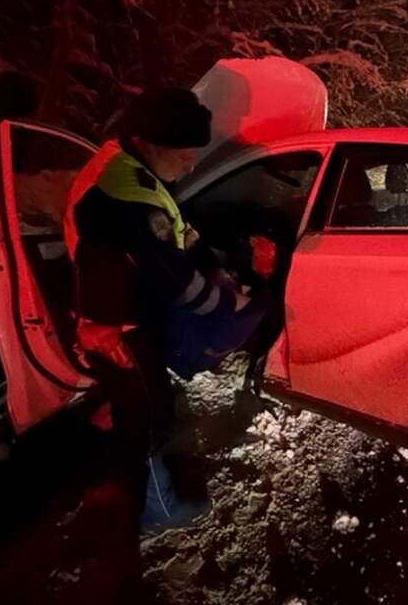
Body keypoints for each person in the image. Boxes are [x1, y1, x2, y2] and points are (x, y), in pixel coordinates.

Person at [64, 87, 256, 537]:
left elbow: (178, 231)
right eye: (186, 156)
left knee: (137, 399)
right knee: (152, 413)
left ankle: (110, 421)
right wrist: (228, 303)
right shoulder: (122, 191)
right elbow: (171, 275)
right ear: (149, 143)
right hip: (115, 326)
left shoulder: (136, 170)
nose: (191, 166)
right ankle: (159, 509)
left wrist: (214, 265)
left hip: (125, 310)